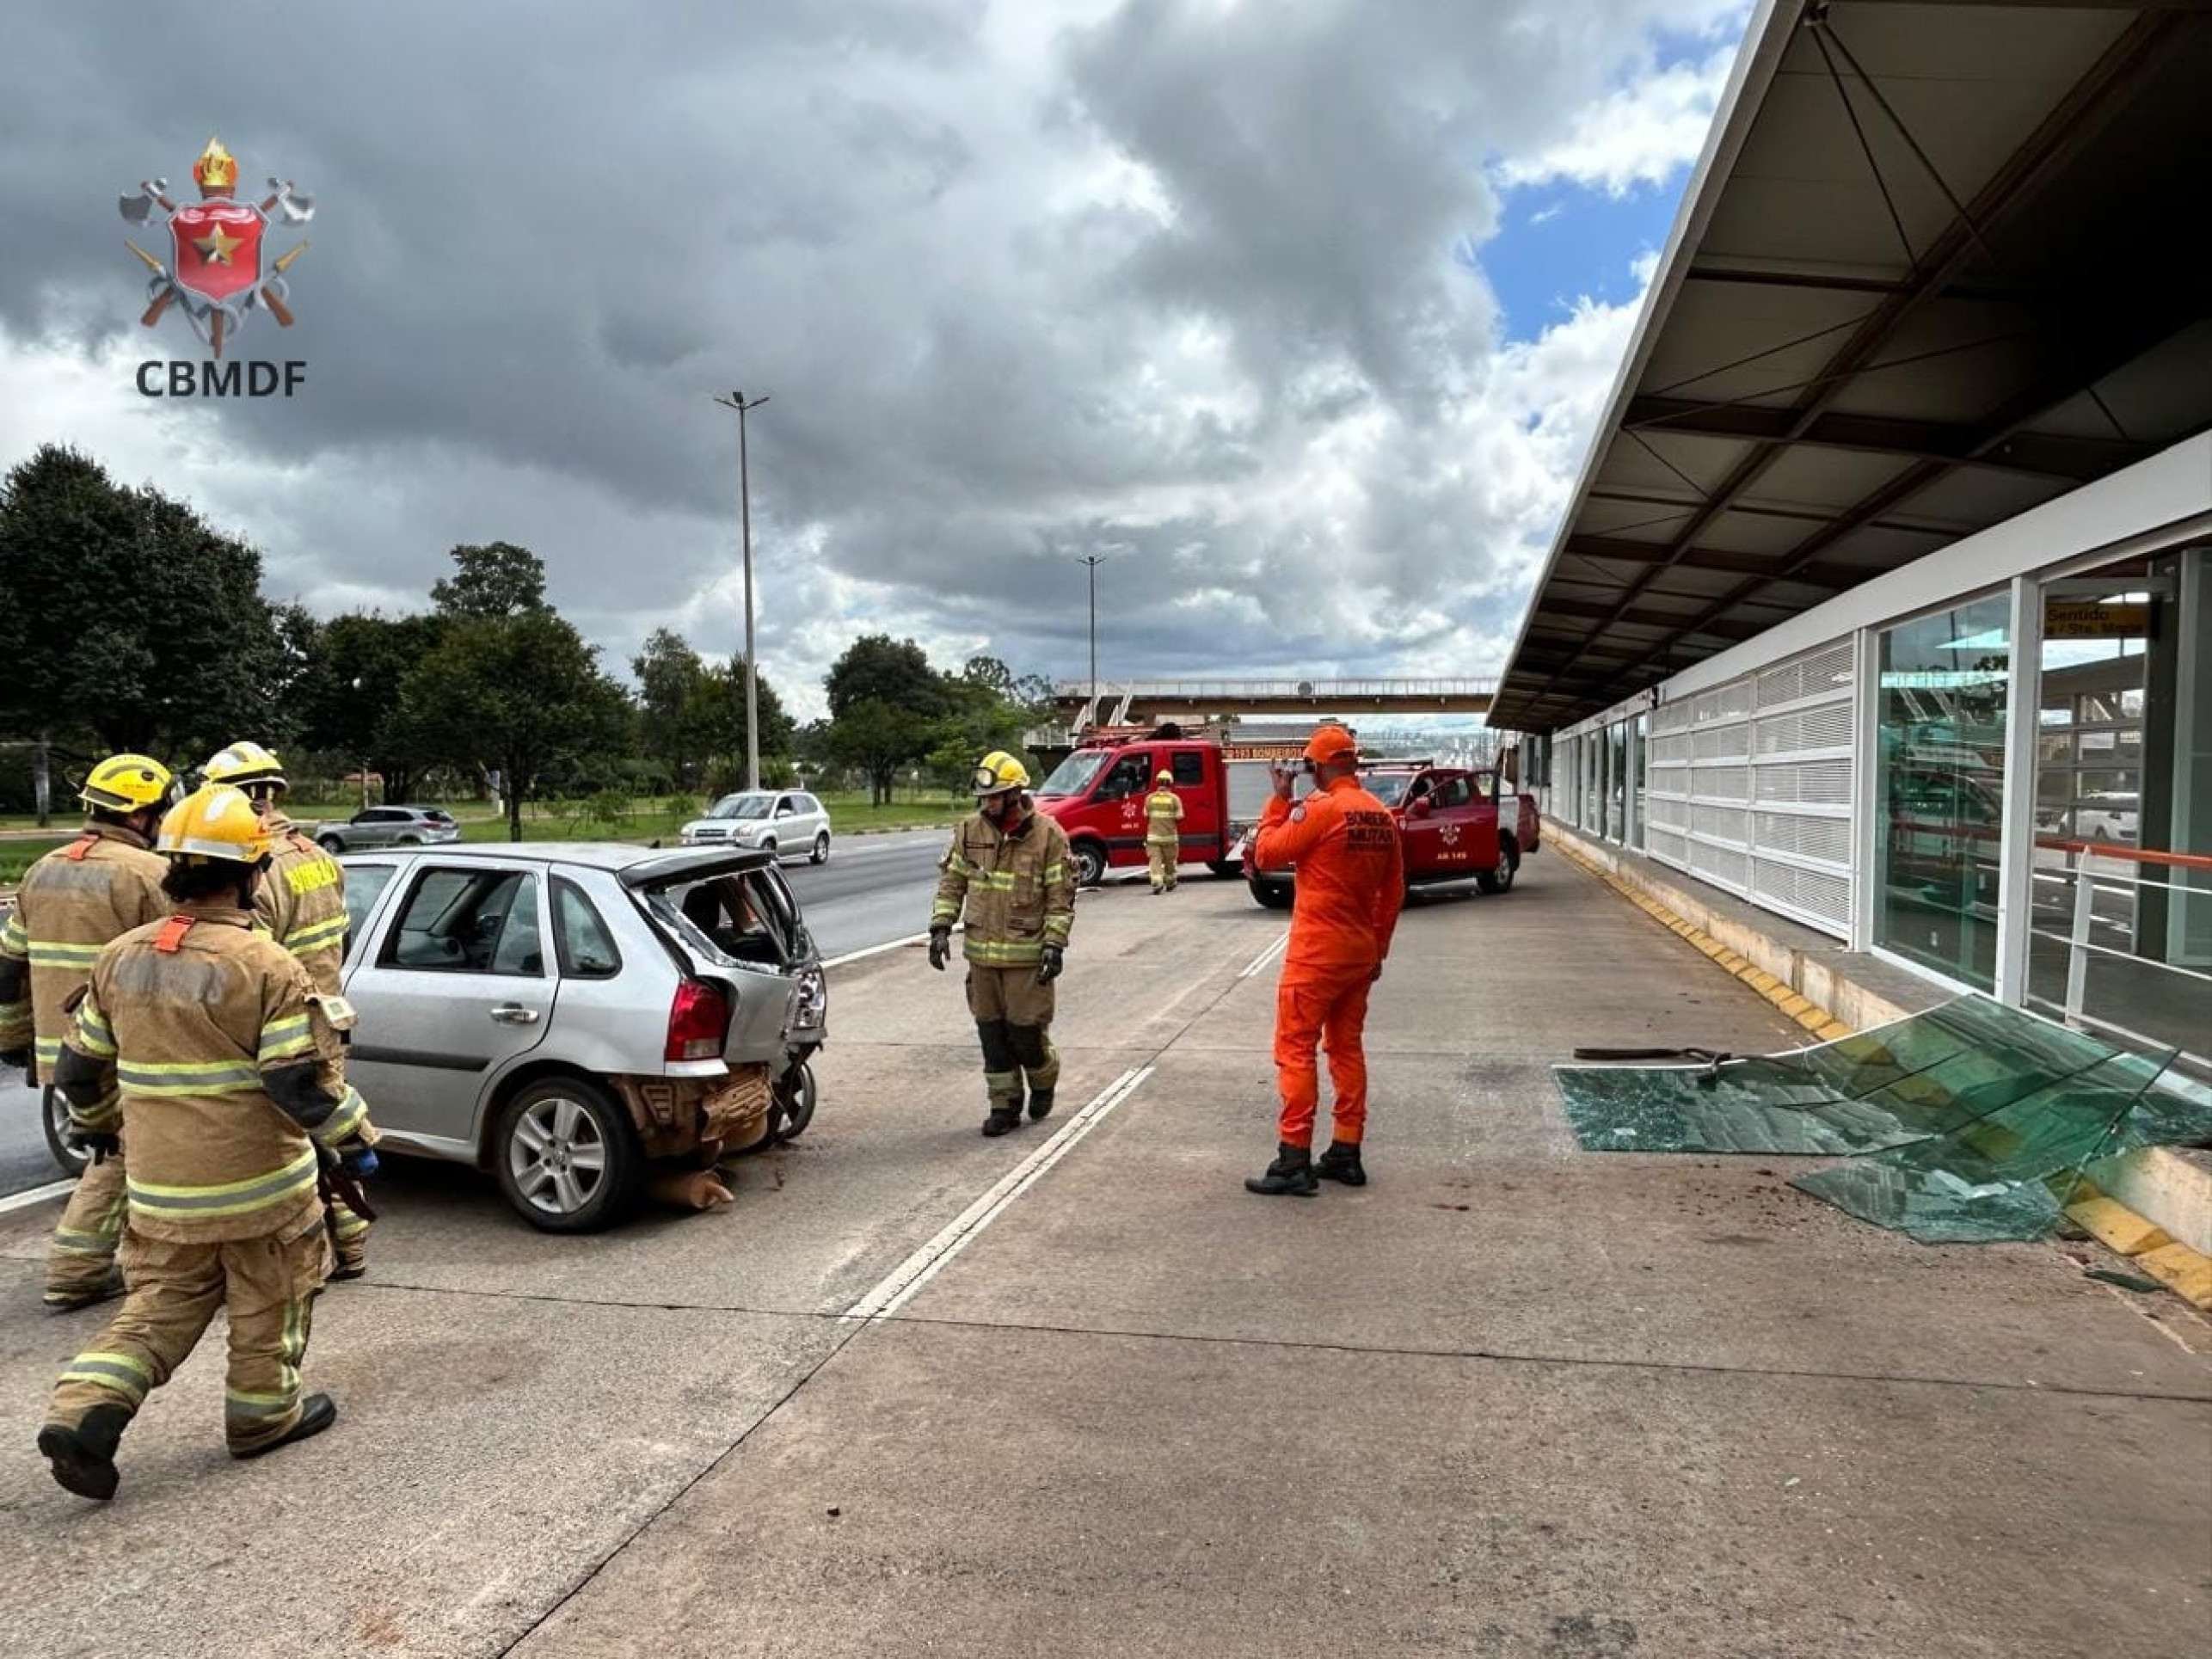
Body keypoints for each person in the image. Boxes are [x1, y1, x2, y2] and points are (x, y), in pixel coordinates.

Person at [37, 783, 380, 1502]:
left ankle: (82, 1410)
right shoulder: (264, 965)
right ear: (252, 874)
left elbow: (76, 1070)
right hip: (260, 1191)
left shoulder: (121, 958)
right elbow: (297, 1086)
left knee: (158, 1306)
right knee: (271, 1297)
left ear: (172, 868)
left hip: (161, 1192)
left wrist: (102, 1124)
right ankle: (263, 1416)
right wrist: (355, 1137)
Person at [0, 754, 178, 1311]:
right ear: (142, 815)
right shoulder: (146, 875)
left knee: (113, 1153)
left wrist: (13, 1039)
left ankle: (92, 1265)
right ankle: (78, 1271)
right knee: (128, 1158)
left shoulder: (41, 871)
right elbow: (180, 961)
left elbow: (9, 969)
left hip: (65, 1049)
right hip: (126, 1047)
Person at [200, 740, 368, 1278]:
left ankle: (300, 1261)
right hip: (328, 1018)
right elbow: (339, 937)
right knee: (330, 1129)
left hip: (278, 1029)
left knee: (285, 1147)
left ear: (242, 797)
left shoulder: (255, 866)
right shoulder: (320, 857)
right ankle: (353, 1247)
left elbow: (251, 962)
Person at [1244, 727, 1404, 1196]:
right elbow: (1392, 893)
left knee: (1295, 1049)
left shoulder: (1320, 808)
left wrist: (1278, 800)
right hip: (1358, 953)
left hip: (1316, 954)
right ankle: (1346, 1150)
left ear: (1319, 766)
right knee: (1346, 1049)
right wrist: (1378, 949)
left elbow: (1268, 851)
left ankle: (1293, 1158)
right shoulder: (1382, 815)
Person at [927, 750, 1076, 1136]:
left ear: (1015, 794)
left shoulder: (1048, 835)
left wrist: (1054, 945)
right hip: (981, 955)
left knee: (1025, 1034)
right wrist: (940, 926)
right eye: (984, 798)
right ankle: (1005, 1106)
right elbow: (953, 882)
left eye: (995, 797)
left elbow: (1060, 896)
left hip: (1027, 955)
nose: (988, 804)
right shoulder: (968, 831)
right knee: (992, 1035)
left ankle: (1044, 1078)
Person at [1144, 768, 1183, 894]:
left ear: (1158, 782)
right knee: (1170, 862)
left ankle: (1157, 883)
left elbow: (1145, 814)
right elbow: (1180, 816)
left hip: (1153, 838)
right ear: (1170, 783)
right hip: (1170, 838)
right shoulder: (1174, 799)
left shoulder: (1150, 798)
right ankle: (1170, 882)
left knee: (1155, 861)